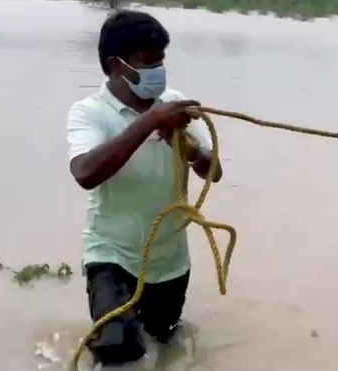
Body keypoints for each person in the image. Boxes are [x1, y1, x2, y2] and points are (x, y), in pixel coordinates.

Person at [65, 9, 223, 369]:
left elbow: (212, 173)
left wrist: (186, 146)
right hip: (111, 255)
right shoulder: (89, 113)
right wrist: (149, 121)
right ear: (114, 66)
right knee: (119, 347)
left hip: (169, 261)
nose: (157, 71)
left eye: (161, 61)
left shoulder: (175, 103)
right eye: (147, 62)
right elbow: (85, 173)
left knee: (164, 340)